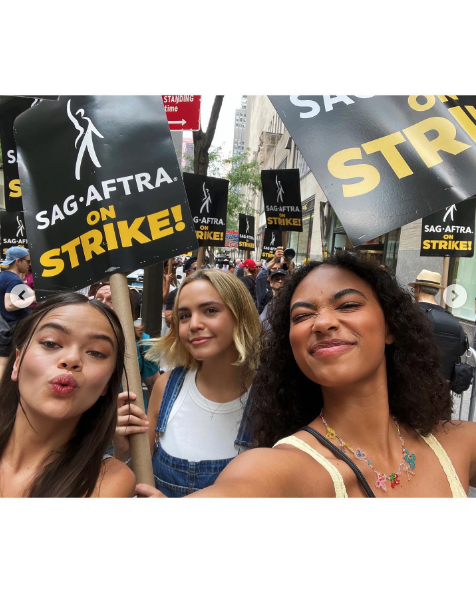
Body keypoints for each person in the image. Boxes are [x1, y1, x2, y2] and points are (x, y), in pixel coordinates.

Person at [137, 252, 476, 498]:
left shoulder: (460, 443)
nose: (323, 322)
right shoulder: (277, 470)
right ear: (290, 346)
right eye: (302, 315)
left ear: (390, 326)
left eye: (347, 306)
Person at [114, 269, 261, 497]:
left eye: (210, 311)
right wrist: (124, 454)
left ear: (240, 314)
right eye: (184, 316)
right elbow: (137, 478)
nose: (194, 324)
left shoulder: (271, 396)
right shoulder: (166, 388)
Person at [0, 293, 135, 497]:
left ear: (108, 383)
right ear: (17, 361)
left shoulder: (109, 482)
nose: (72, 359)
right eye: (51, 343)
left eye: (96, 352)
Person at [94, 283, 160, 397]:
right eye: (98, 299)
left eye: (112, 301)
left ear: (127, 307)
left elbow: (154, 384)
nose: (103, 304)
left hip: (130, 412)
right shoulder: (79, 339)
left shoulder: (142, 342)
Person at [410, 270, 467, 382]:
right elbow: (460, 349)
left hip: (410, 385)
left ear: (419, 288)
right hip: (441, 389)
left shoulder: (408, 314)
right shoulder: (453, 321)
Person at [0, 247, 36, 377]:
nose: (29, 264)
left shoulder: (4, 276)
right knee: (5, 364)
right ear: (17, 261)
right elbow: (9, 305)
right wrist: (31, 298)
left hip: (6, 327)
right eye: (27, 261)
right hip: (10, 328)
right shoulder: (13, 280)